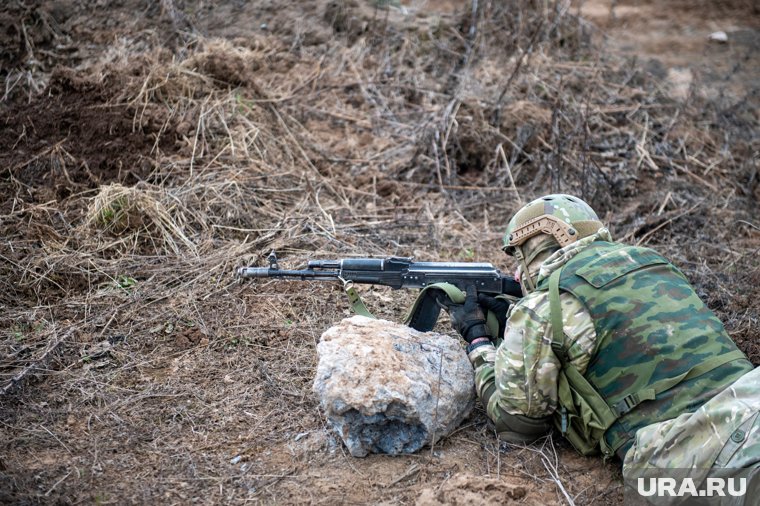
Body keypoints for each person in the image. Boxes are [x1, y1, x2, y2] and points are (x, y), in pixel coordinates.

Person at [440, 194, 759, 498]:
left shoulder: (544, 305)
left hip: (691, 451)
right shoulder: (656, 263)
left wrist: (479, 341)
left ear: (532, 252)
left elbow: (517, 423)